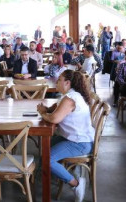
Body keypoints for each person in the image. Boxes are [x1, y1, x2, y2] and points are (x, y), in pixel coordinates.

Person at [37, 70, 94, 202]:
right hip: (75, 137)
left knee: (47, 158)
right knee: (46, 147)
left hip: (80, 143)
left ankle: (76, 184)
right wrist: (47, 111)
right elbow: (53, 110)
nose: (56, 82)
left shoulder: (70, 99)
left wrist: (42, 113)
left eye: (59, 80)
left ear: (67, 83)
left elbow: (54, 119)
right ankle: (53, 174)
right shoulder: (70, 95)